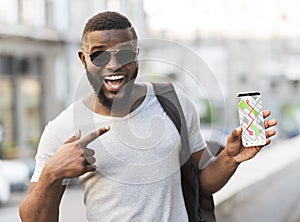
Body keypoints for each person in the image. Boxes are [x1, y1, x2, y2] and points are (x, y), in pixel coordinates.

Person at [19, 11, 277, 222]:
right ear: (83, 60)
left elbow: (204, 181)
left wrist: (230, 158)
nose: (113, 65)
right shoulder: (63, 128)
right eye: (99, 54)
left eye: (124, 53)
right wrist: (52, 174)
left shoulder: (174, 102)